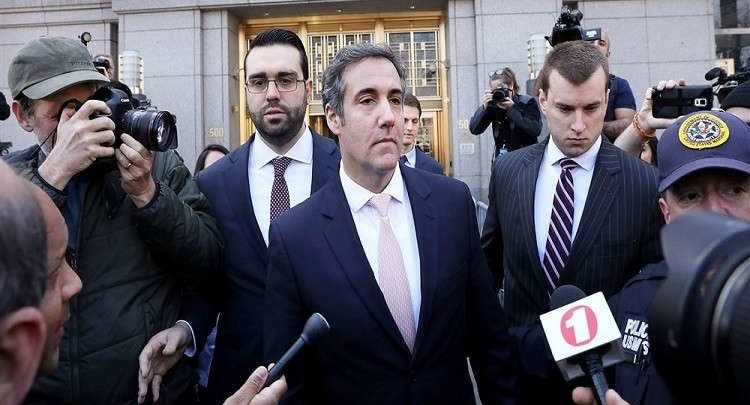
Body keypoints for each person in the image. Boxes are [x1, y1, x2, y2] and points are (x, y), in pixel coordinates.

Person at [263, 42, 520, 405]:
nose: (388, 116)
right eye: (367, 100)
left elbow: (490, 342)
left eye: (395, 100)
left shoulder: (452, 204)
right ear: (334, 118)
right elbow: (290, 382)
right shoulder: (295, 236)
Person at [4, 36, 222, 404]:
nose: (79, 127)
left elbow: (209, 264)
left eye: (86, 107)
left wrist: (149, 196)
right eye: (61, 114)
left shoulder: (155, 165)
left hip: (145, 393)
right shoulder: (9, 182)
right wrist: (52, 177)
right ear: (23, 116)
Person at [137, 28, 340, 403]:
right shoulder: (213, 182)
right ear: (245, 91)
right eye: (258, 82)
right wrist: (186, 329)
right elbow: (207, 280)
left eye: (285, 80)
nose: (272, 93)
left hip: (333, 380)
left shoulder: (345, 171)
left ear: (309, 88)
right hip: (239, 383)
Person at [481, 40, 662, 403]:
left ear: (607, 100)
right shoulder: (508, 171)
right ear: (542, 99)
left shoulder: (643, 183)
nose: (578, 125)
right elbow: (488, 272)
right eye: (565, 108)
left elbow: (649, 292)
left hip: (606, 386)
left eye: (591, 108)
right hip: (519, 381)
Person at [573, 111, 750, 405]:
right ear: (666, 213)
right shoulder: (634, 298)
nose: (715, 212)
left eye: (734, 190)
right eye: (691, 196)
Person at [0, 161, 48, 405]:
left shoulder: (148, 166)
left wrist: (148, 194)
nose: (74, 284)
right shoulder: (14, 173)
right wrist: (51, 179)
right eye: (55, 272)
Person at [469, 67, 541, 159]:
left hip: (525, 160)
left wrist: (512, 109)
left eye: (502, 88)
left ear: (512, 86)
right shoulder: (493, 106)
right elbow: (474, 129)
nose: (499, 93)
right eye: (495, 90)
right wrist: (484, 108)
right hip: (503, 160)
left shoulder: (526, 102)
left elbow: (535, 129)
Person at [590, 30, 637, 141]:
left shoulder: (619, 84)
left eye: (601, 43)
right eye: (590, 43)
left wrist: (591, 126)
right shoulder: (570, 84)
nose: (595, 46)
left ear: (608, 54)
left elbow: (628, 126)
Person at [400, 93, 442, 174]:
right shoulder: (376, 164)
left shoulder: (434, 168)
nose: (410, 128)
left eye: (414, 121)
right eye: (404, 120)